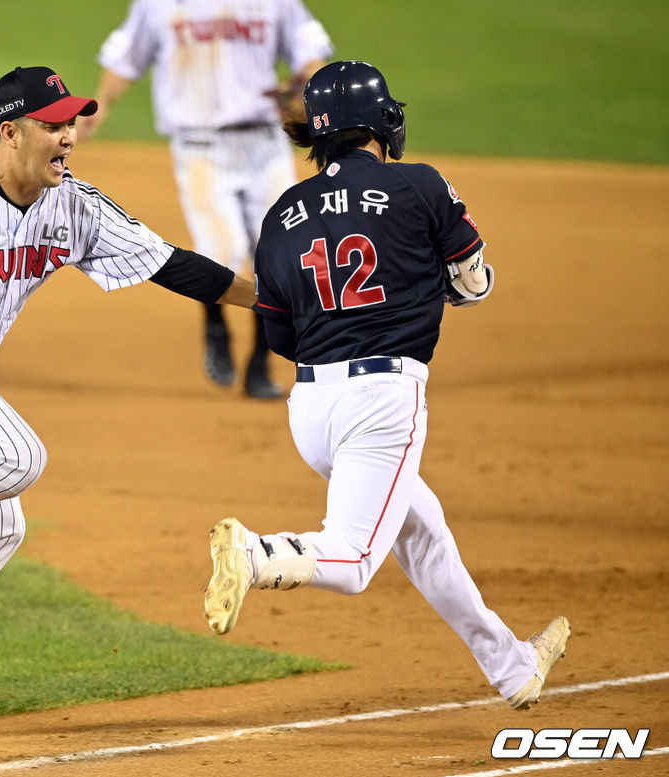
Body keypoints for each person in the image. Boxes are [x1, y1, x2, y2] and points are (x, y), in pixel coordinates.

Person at [0, 65, 255, 743]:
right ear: (10, 132)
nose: (69, 137)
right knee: (15, 454)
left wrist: (267, 300)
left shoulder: (73, 205)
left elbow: (170, 263)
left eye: (72, 123)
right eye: (53, 124)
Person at [202, 61, 570, 709]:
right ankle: (256, 554)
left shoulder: (282, 212)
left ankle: (512, 666)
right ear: (381, 124)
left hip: (311, 411)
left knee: (423, 533)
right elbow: (471, 283)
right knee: (354, 558)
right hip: (381, 402)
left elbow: (281, 337)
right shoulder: (420, 185)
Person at [79, 0, 334, 399]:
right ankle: (216, 324)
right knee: (222, 251)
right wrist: (103, 104)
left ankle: (260, 362)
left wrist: (308, 85)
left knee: (281, 250)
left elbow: (308, 49)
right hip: (199, 146)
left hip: (266, 143)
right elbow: (126, 54)